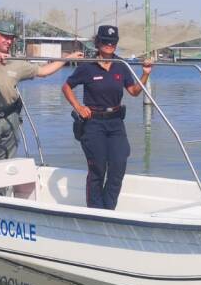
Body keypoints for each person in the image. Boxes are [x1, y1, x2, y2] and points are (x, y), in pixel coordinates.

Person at [0, 20, 80, 162]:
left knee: (9, 164)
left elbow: (44, 71)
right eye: (5, 36)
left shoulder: (17, 63)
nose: (9, 41)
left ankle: (7, 185)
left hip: (11, 118)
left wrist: (66, 59)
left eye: (11, 38)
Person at [62, 25, 153, 210]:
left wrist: (145, 74)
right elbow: (66, 87)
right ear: (98, 42)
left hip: (116, 122)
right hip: (93, 123)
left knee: (119, 164)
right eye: (105, 41)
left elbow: (134, 91)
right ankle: (95, 210)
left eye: (113, 42)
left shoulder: (121, 65)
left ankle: (108, 209)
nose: (109, 45)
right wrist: (78, 107)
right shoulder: (87, 66)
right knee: (98, 168)